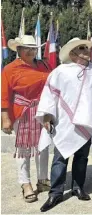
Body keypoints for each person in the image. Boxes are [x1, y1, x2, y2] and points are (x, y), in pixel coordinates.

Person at [36, 38, 92, 212]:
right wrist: (47, 116)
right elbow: (50, 95)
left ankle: (78, 187)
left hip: (87, 121)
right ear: (72, 53)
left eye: (86, 48)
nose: (86, 50)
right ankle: (55, 192)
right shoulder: (61, 71)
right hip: (64, 122)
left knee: (82, 157)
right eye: (81, 48)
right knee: (60, 158)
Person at [1, 35, 51, 203]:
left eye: (33, 48)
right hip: (21, 112)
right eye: (27, 48)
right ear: (19, 50)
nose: (30, 51)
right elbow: (4, 95)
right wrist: (5, 117)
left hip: (42, 111)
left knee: (42, 147)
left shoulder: (44, 65)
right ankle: (25, 183)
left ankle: (43, 179)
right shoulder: (10, 69)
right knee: (24, 149)